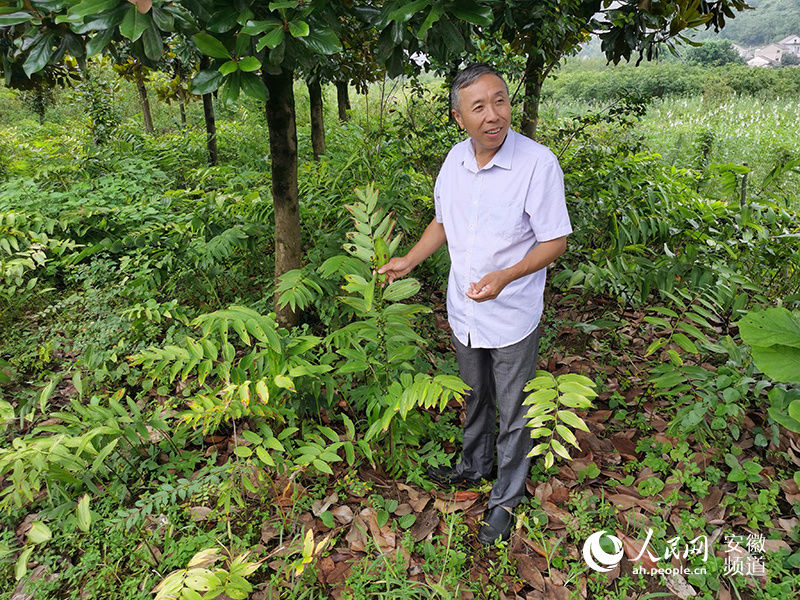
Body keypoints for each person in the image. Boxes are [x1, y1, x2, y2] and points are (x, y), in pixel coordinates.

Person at [378, 63, 572, 545]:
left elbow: (555, 242)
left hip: (511, 314)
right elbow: (443, 223)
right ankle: (473, 465)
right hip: (464, 309)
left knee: (514, 408)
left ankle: (506, 498)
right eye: (479, 106)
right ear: (458, 117)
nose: (493, 115)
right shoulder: (455, 161)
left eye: (500, 101)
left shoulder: (537, 164)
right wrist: (409, 260)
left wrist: (507, 276)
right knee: (474, 395)